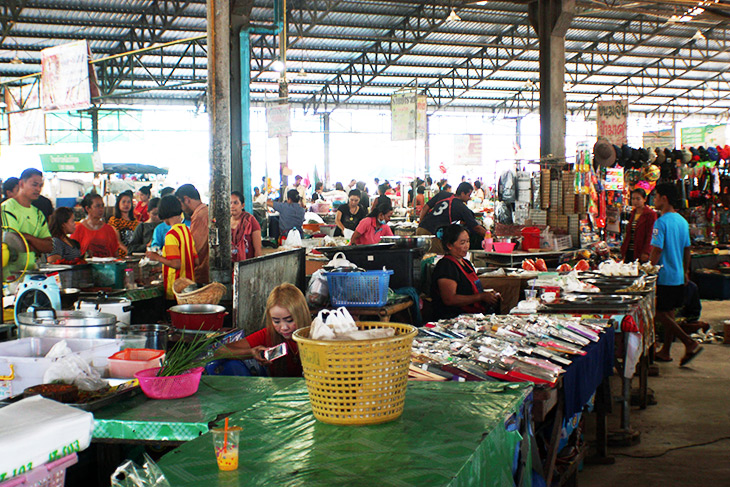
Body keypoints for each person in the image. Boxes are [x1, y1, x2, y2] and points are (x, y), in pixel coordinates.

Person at [650, 183, 702, 366]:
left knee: (657, 313)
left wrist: (648, 270)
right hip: (678, 276)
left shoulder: (661, 222)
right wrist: (686, 271)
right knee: (669, 313)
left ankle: (689, 342)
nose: (654, 200)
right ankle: (665, 351)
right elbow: (687, 249)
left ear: (664, 199)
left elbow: (656, 250)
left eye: (656, 196)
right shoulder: (682, 221)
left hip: (664, 275)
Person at [218, 283, 309, 377]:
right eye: (276, 321)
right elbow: (219, 351)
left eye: (290, 320)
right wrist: (251, 353)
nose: (284, 327)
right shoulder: (269, 334)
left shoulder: (317, 334)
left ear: (301, 315)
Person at [431, 224, 500, 320]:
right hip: (454, 319)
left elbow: (470, 290)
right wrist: (480, 297)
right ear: (449, 245)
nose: (466, 246)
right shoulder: (446, 266)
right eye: (462, 243)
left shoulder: (466, 263)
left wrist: (489, 296)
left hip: (473, 315)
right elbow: (449, 299)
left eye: (468, 241)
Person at [146, 196, 198, 300]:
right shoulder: (186, 231)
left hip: (175, 290)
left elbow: (176, 264)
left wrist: (156, 257)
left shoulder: (171, 235)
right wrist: (162, 268)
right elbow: (196, 261)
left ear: (163, 216)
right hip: (189, 287)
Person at [1, 169, 52, 267]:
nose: (38, 189)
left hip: (32, 272)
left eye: (40, 186)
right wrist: (38, 246)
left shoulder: (38, 214)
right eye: (34, 184)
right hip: (10, 275)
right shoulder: (7, 208)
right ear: (21, 184)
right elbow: (14, 245)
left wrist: (28, 237)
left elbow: (49, 246)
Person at [416, 182, 486, 254]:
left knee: (422, 257)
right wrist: (489, 235)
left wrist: (421, 223)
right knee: (436, 258)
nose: (469, 198)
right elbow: (476, 227)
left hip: (421, 229)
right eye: (468, 195)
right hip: (433, 234)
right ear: (462, 193)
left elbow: (425, 207)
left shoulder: (443, 194)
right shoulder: (462, 208)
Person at [176, 184, 209, 284]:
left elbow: (194, 248)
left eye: (180, 204)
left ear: (186, 200)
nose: (181, 209)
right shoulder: (204, 212)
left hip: (203, 275)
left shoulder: (200, 216)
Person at [71, 193, 123, 257]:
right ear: (88, 209)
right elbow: (72, 254)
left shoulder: (109, 230)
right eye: (97, 206)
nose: (101, 209)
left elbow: (115, 254)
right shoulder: (78, 230)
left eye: (102, 206)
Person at [620, 188, 657, 263]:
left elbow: (651, 234)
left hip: (640, 250)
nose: (635, 201)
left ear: (645, 199)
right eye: (633, 199)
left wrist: (647, 251)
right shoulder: (633, 213)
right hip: (629, 250)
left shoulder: (650, 214)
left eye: (638, 199)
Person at [231, 191, 262, 262]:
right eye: (230, 203)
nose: (232, 206)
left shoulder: (250, 221)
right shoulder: (225, 223)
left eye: (235, 203)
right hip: (229, 266)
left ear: (242, 205)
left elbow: (258, 249)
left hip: (247, 265)